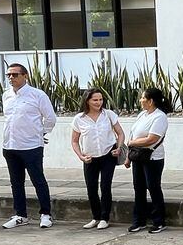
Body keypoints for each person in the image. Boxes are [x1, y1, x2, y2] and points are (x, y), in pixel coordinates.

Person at [1, 62, 57, 230]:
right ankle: (20, 215)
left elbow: (50, 118)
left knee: (38, 180)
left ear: (25, 76)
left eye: (15, 74)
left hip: (31, 146)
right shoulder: (6, 95)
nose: (11, 78)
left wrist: (41, 133)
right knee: (16, 182)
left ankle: (46, 214)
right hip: (10, 145)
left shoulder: (37, 95)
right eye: (8, 75)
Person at [71, 88, 126, 229]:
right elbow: (74, 141)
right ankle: (95, 217)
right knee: (91, 188)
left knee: (105, 186)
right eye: (95, 100)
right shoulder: (79, 119)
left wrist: (118, 148)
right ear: (87, 101)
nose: (98, 102)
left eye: (100, 99)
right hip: (90, 157)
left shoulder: (108, 115)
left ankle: (104, 218)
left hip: (108, 155)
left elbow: (120, 133)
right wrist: (81, 156)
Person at [126, 86, 170, 234]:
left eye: (143, 98)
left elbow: (152, 138)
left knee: (153, 187)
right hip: (138, 156)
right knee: (138, 188)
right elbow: (133, 135)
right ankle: (139, 220)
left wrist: (132, 143)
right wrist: (128, 155)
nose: (141, 100)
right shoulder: (142, 115)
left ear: (150, 101)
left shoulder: (160, 117)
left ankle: (159, 221)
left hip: (152, 157)